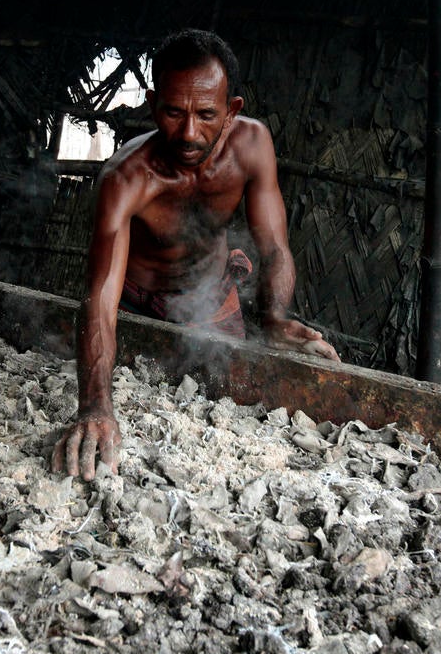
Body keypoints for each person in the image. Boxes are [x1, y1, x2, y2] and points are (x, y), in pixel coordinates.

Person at [53, 29, 339, 480]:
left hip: (211, 300)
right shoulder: (126, 178)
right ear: (152, 104)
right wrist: (94, 408)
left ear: (232, 111)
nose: (189, 133)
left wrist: (275, 317)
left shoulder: (252, 145)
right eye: (173, 112)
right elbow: (101, 298)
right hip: (134, 303)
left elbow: (275, 247)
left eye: (206, 114)